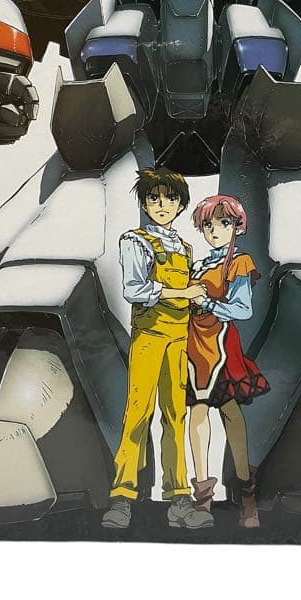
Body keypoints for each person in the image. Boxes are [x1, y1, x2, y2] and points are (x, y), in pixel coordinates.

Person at [102, 168, 213, 530]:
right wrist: (185, 292)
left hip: (179, 340)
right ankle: (122, 496)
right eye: (154, 198)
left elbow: (188, 296)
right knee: (138, 414)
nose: (162, 205)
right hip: (149, 337)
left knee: (175, 417)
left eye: (170, 198)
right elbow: (135, 290)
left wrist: (201, 299)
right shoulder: (134, 241)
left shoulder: (185, 248)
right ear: (144, 204)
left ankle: (178, 498)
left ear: (181, 205)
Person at [186, 195, 269, 528]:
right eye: (208, 224)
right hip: (194, 345)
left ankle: (247, 497)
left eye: (223, 223)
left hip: (221, 345)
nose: (215, 231)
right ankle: (202, 499)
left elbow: (243, 309)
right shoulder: (198, 265)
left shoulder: (239, 262)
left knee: (231, 413)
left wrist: (208, 303)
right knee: (198, 413)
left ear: (238, 226)